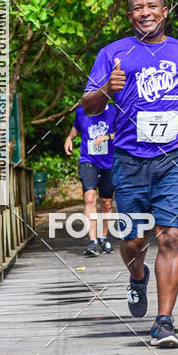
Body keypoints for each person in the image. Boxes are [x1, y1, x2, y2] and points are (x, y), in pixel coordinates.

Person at [82, 0, 178, 348]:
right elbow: (89, 106)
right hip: (129, 162)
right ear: (130, 16)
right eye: (137, 8)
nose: (145, 12)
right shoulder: (112, 53)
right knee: (132, 240)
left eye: (152, 6)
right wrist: (107, 90)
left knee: (171, 237)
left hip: (175, 158)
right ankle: (137, 276)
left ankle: (164, 322)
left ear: (164, 11)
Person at [64, 104, 117, 256]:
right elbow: (76, 128)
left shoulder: (114, 111)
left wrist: (106, 137)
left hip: (109, 163)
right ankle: (92, 241)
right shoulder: (81, 111)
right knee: (89, 198)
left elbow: (123, 133)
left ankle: (103, 237)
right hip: (88, 161)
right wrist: (69, 137)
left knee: (106, 203)